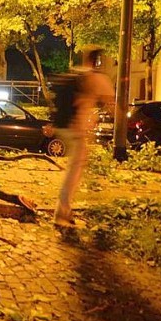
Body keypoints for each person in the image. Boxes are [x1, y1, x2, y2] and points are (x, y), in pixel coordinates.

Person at [54, 48, 115, 227]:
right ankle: (62, 211)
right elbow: (110, 103)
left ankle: (64, 210)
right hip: (75, 129)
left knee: (75, 167)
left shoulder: (76, 74)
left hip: (63, 125)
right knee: (75, 169)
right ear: (98, 61)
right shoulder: (97, 78)